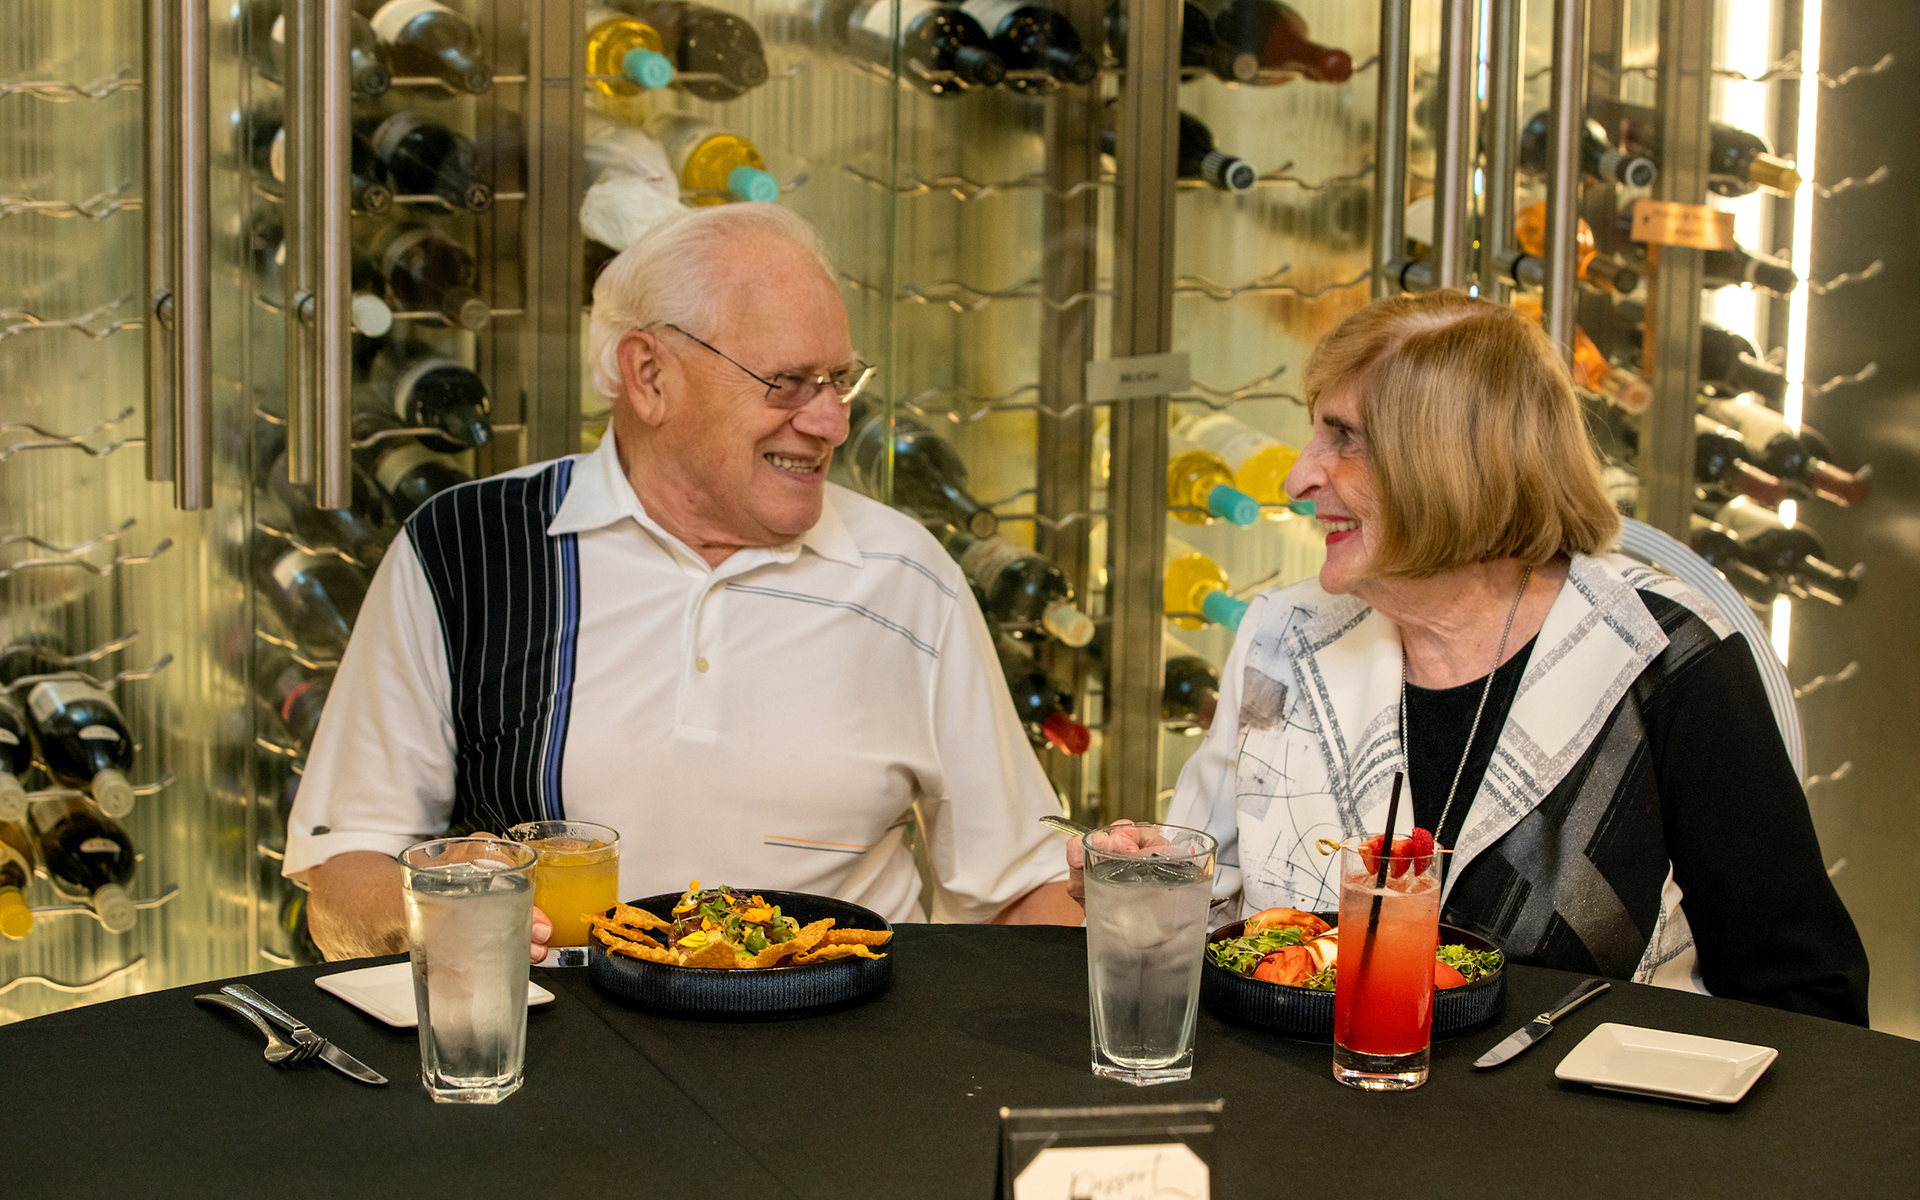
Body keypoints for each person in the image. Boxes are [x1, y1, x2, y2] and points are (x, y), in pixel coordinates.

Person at [286, 203, 1079, 960]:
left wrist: (1127, 905)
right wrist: (435, 907)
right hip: (559, 1045)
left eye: (840, 380)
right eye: (787, 382)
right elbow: (341, 882)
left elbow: (1019, 889)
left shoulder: (908, 576)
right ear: (649, 375)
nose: (832, 422)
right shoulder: (467, 550)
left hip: (843, 1049)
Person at [1070, 291, 1869, 1025]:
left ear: (1452, 464)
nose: (1297, 478)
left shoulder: (1662, 658)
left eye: (1345, 438)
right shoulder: (1284, 634)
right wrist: (1141, 882)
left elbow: (1803, 1000)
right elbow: (1213, 923)